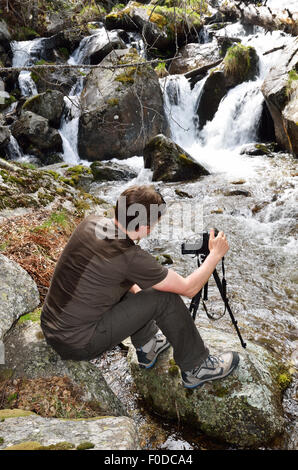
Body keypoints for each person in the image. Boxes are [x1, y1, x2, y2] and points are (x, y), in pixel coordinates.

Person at [41, 185, 239, 389]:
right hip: (79, 342)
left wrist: (144, 299)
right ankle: (197, 367)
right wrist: (215, 255)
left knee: (139, 288)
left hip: (53, 326)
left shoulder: (91, 223)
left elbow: (121, 278)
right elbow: (189, 288)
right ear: (144, 227)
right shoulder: (131, 258)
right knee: (165, 297)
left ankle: (148, 345)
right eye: (154, 223)